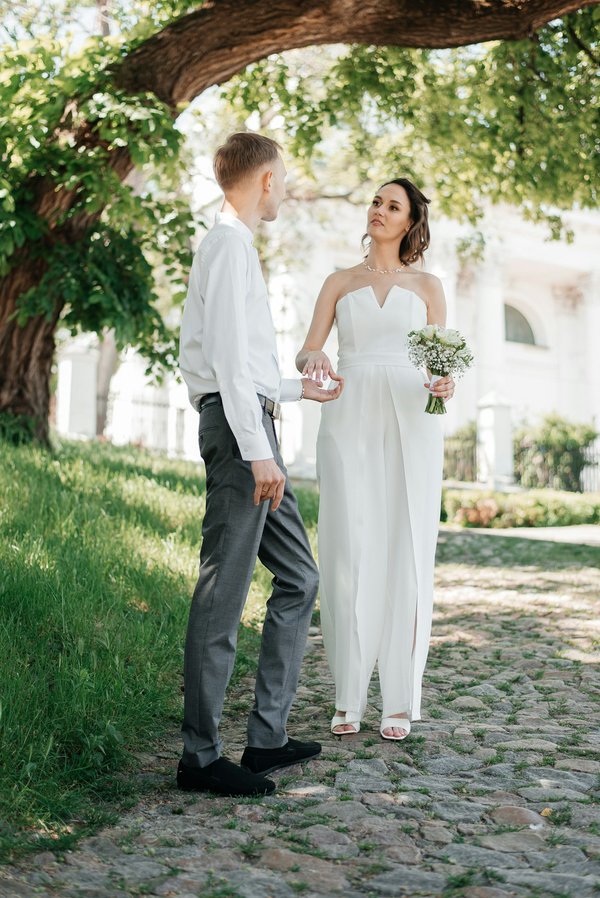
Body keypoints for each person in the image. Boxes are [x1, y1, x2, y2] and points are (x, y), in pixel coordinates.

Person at [178, 132, 344, 796]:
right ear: (265, 180)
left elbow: (246, 365)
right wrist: (256, 450)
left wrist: (299, 390)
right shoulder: (225, 245)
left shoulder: (237, 249)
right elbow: (222, 360)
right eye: (285, 176)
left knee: (300, 577)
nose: (287, 187)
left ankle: (266, 740)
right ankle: (199, 757)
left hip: (257, 424)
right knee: (223, 592)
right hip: (241, 435)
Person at [296, 178, 454, 741]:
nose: (379, 211)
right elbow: (309, 345)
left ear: (410, 222)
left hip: (412, 419)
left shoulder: (429, 286)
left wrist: (444, 384)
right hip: (348, 411)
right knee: (347, 545)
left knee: (406, 546)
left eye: (393, 206)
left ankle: (399, 699)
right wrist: (315, 360)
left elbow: (443, 364)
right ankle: (348, 695)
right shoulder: (340, 282)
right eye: (376, 202)